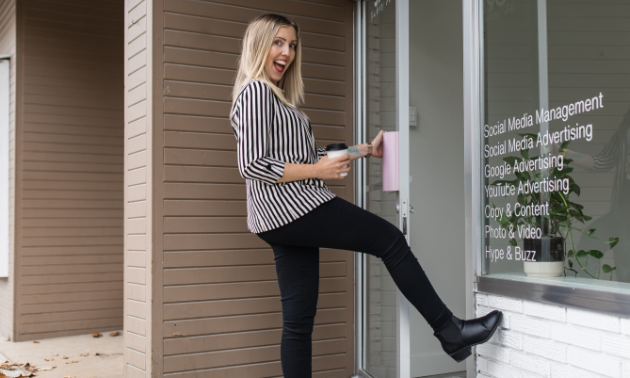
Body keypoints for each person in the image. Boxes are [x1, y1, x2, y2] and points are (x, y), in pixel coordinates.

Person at [230, 13, 502, 377]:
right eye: (278, 42)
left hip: (280, 218)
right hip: (294, 207)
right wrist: (316, 172)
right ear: (258, 45)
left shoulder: (277, 99)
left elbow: (305, 157)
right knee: (389, 239)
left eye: (292, 44)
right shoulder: (255, 92)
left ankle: (451, 332)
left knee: (298, 321)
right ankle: (450, 331)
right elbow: (252, 164)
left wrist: (363, 151)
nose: (287, 52)